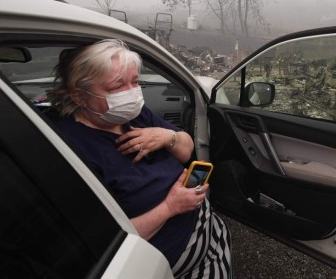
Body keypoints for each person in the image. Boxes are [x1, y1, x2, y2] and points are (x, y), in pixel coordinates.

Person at [47, 39, 231, 279]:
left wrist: (167, 136)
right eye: (117, 86)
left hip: (206, 227)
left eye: (135, 81)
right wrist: (170, 207)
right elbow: (103, 244)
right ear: (80, 97)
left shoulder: (133, 115)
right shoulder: (71, 148)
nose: (132, 93)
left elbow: (186, 150)